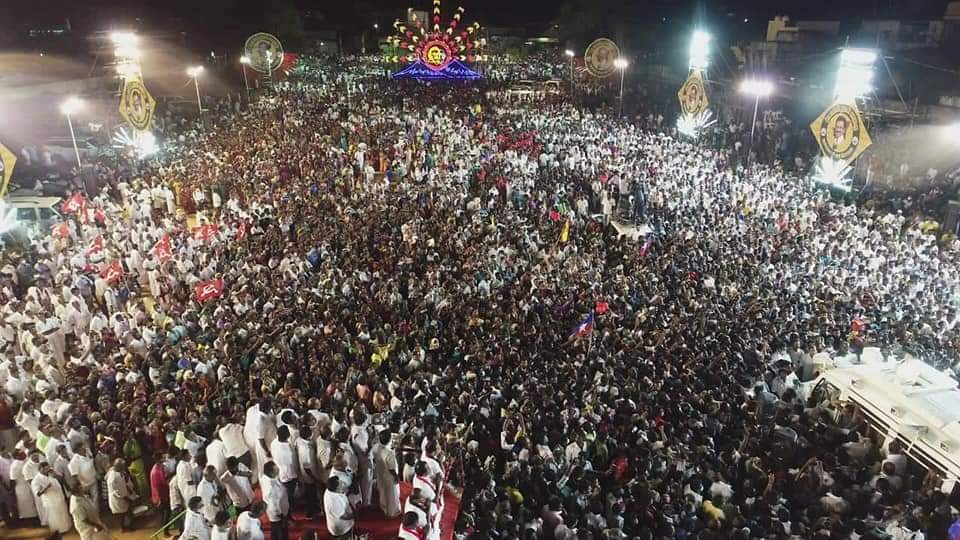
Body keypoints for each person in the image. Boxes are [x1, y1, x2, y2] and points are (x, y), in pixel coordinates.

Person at [31, 460, 72, 535]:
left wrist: (55, 474)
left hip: (59, 499)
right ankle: (58, 531)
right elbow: (38, 493)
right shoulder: (36, 480)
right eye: (46, 468)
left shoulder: (51, 474)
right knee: (55, 517)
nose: (47, 470)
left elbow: (60, 480)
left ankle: (66, 528)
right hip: (51, 502)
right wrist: (46, 487)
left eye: (48, 468)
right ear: (41, 469)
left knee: (63, 514)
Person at [372, 429, 401, 518]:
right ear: (388, 440)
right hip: (389, 476)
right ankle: (392, 512)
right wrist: (396, 477)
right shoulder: (389, 453)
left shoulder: (376, 446)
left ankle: (384, 508)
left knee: (383, 492)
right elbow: (392, 469)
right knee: (392, 494)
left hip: (380, 473)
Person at [106, 457, 138, 530]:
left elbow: (125, 483)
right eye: (122, 466)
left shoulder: (120, 472)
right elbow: (116, 492)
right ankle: (123, 527)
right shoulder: (112, 477)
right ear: (118, 466)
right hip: (118, 499)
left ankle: (127, 526)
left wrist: (131, 491)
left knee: (126, 512)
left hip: (124, 496)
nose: (124, 467)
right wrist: (127, 499)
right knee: (122, 514)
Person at [261, 461, 289, 540]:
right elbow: (273, 504)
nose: (278, 469)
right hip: (277, 515)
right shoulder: (270, 487)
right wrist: (281, 515)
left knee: (276, 531)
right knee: (280, 533)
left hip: (279, 513)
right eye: (276, 469)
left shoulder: (269, 478)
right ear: (271, 473)